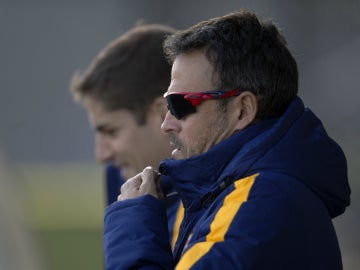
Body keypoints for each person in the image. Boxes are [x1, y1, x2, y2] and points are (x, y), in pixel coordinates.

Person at [103, 10, 351, 269]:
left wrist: (133, 220)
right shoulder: (236, 192)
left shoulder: (262, 203)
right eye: (166, 106)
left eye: (179, 104)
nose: (166, 124)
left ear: (242, 110)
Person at [70, 24, 183, 246]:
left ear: (161, 113)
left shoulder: (227, 193)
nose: (101, 155)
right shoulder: (120, 178)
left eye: (111, 131)